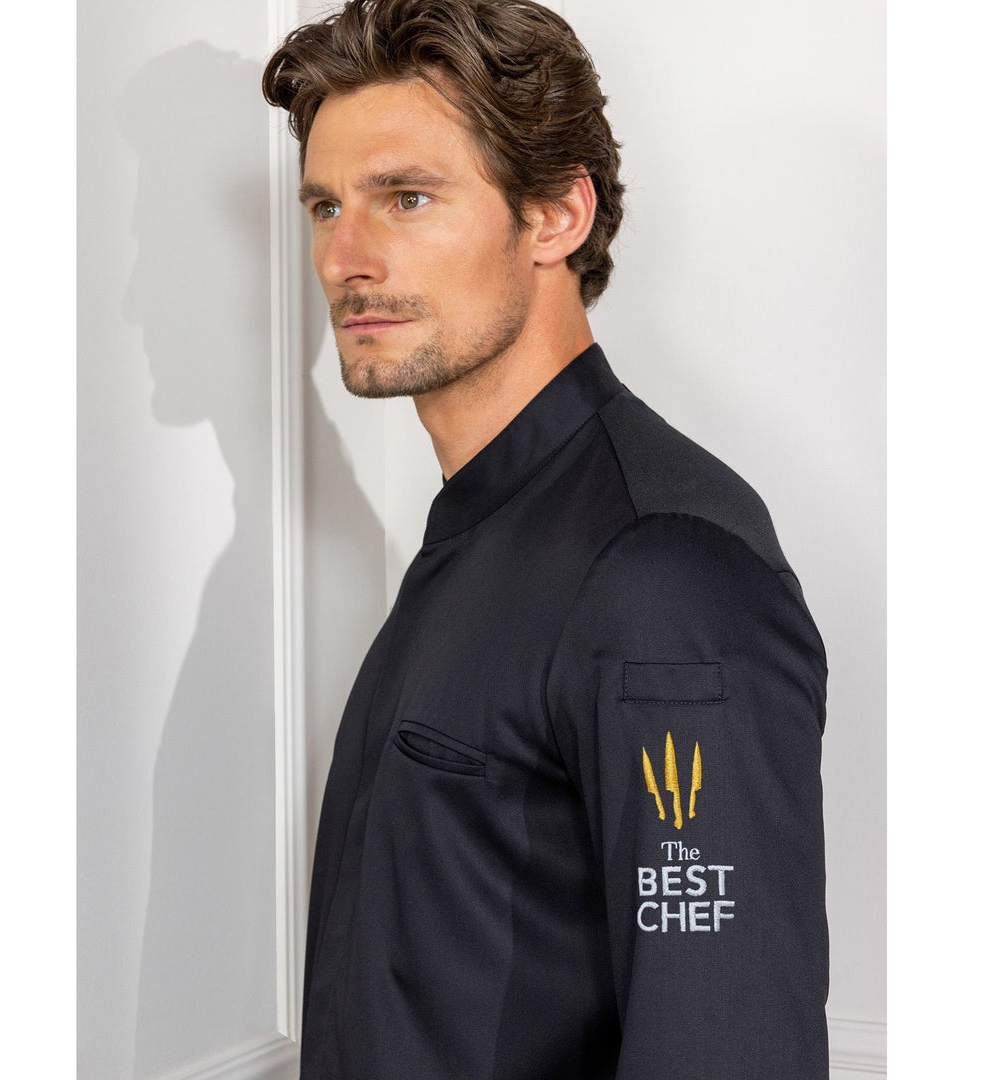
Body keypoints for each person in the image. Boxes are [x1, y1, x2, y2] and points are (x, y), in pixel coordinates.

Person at [263, 1, 829, 1077]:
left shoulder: (666, 569)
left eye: (407, 198)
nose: (345, 258)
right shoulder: (475, 529)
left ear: (557, 216)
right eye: (326, 206)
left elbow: (724, 1045)